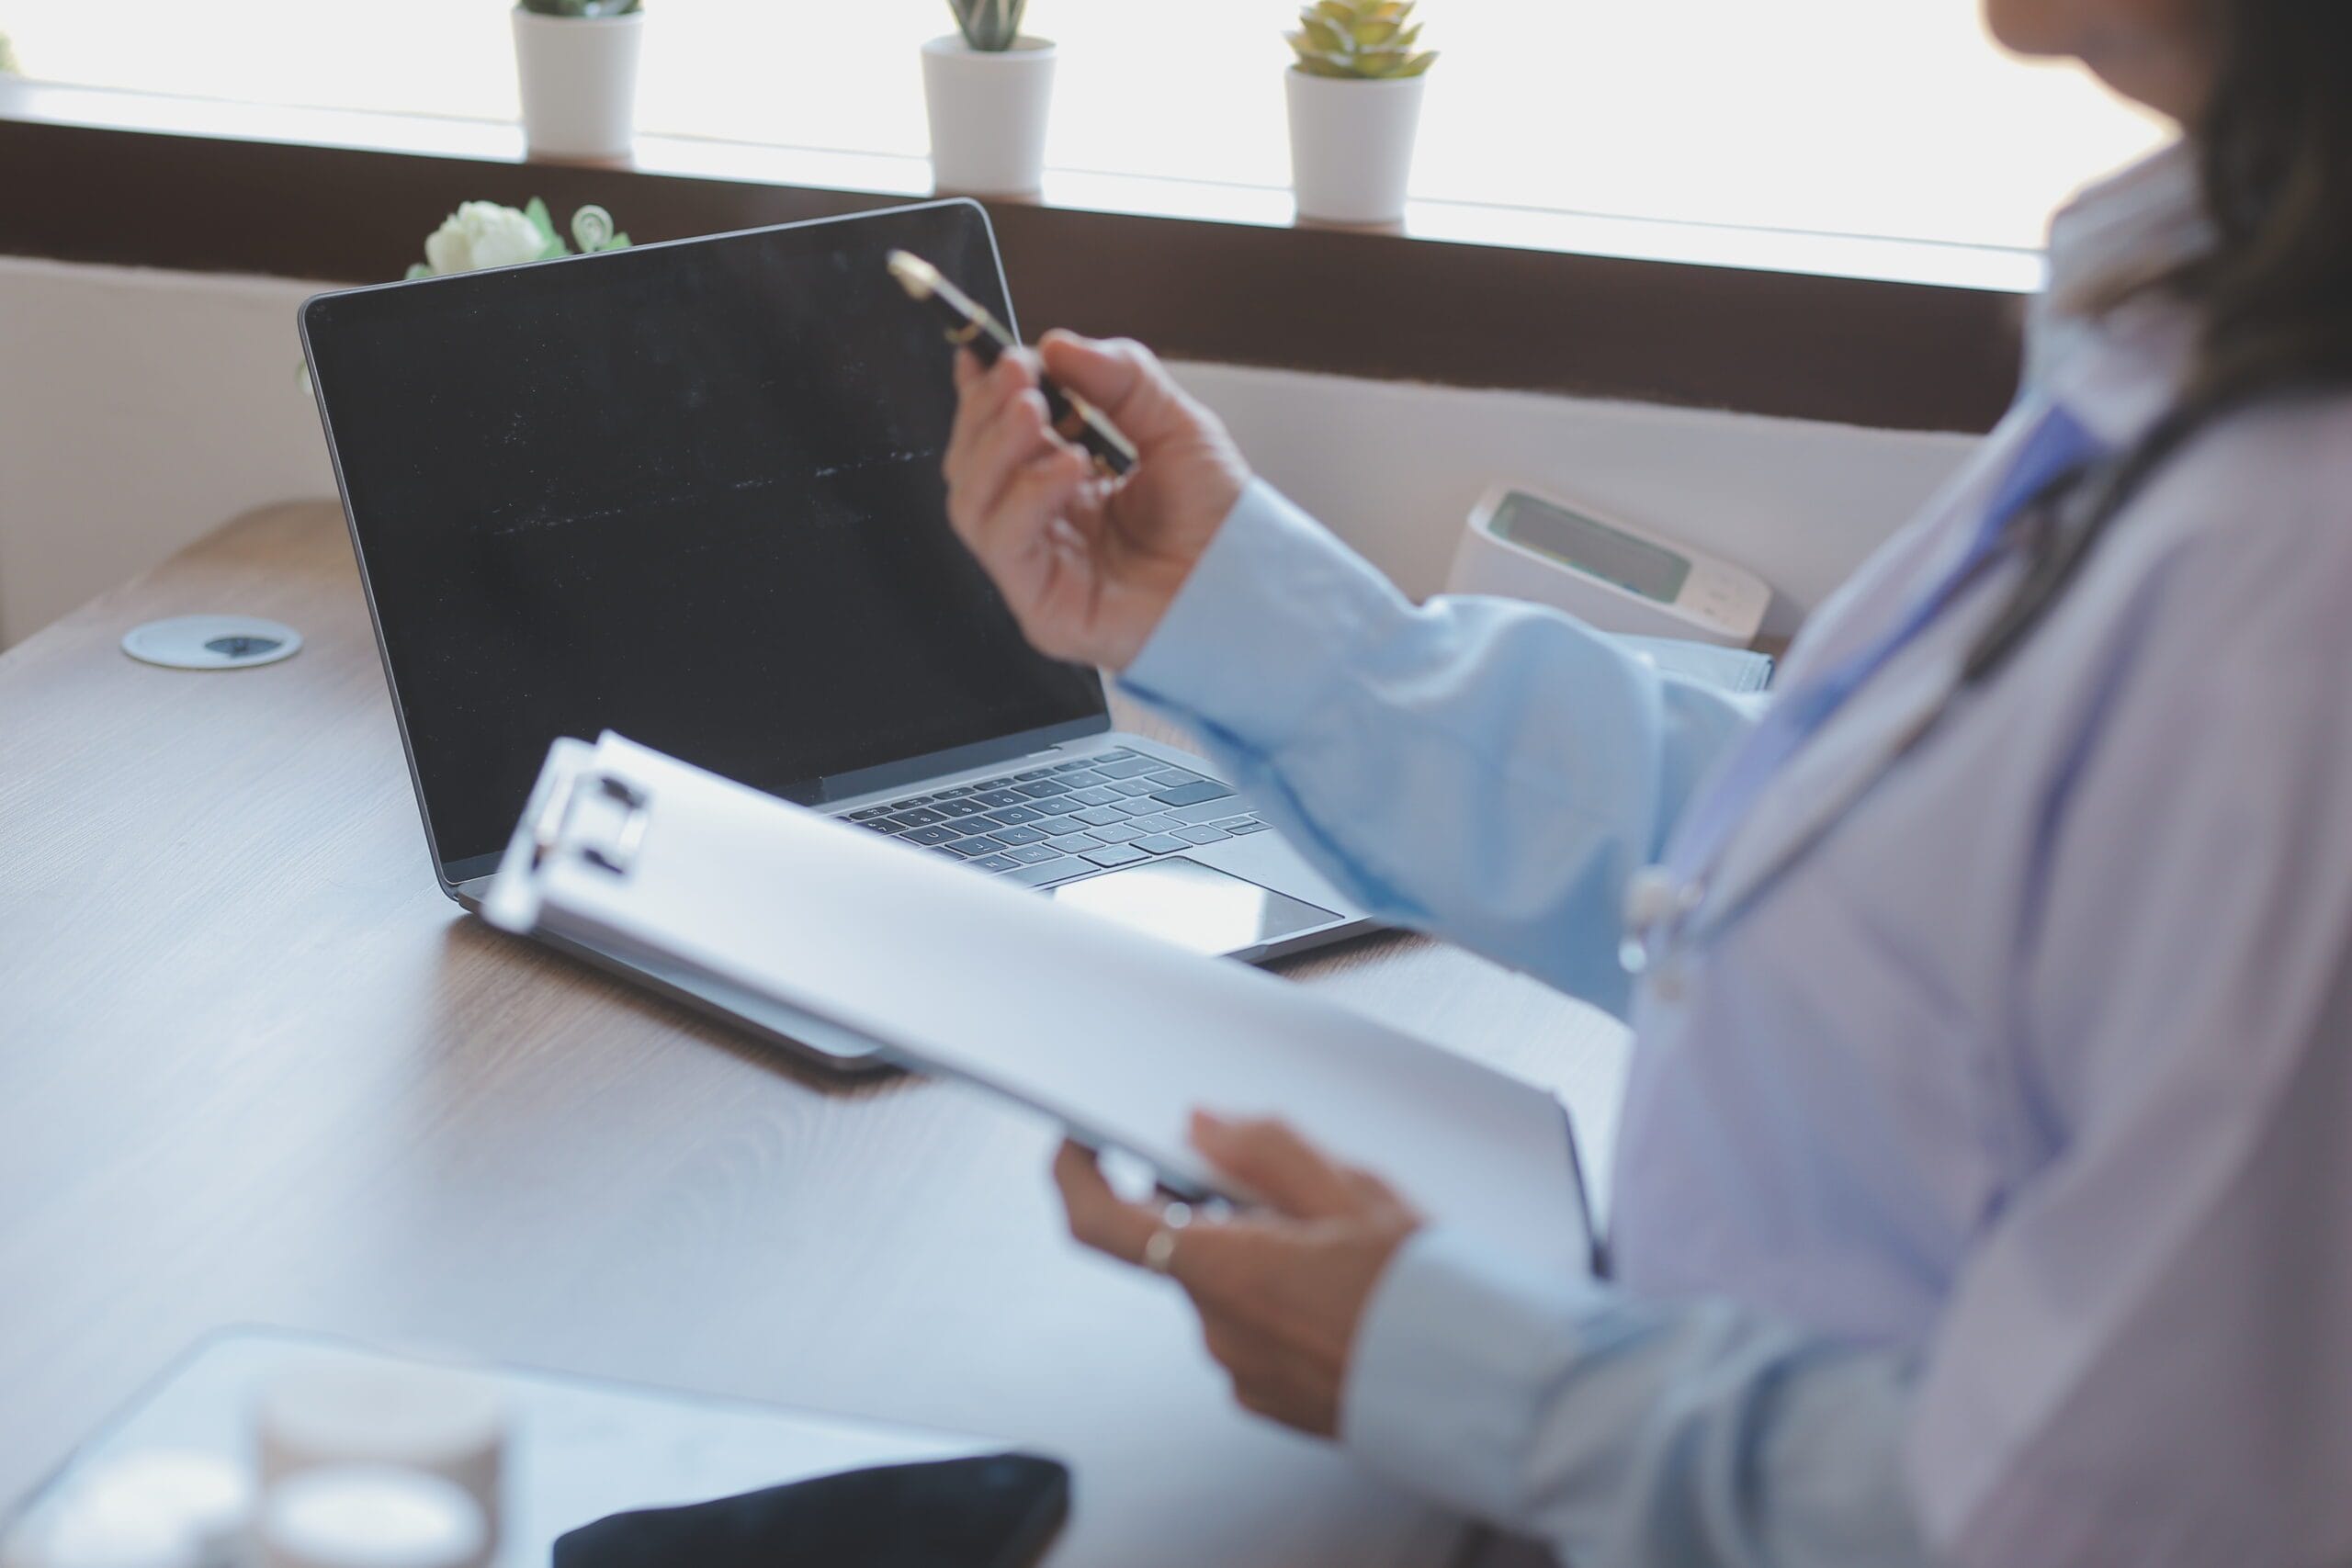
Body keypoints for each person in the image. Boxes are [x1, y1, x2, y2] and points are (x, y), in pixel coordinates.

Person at [938, 0, 2352, 1562]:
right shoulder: (2190, 318)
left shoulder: (2298, 574)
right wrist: (1253, 619)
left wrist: (1467, 1373)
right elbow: (1848, 869)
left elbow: (2125, 1520)